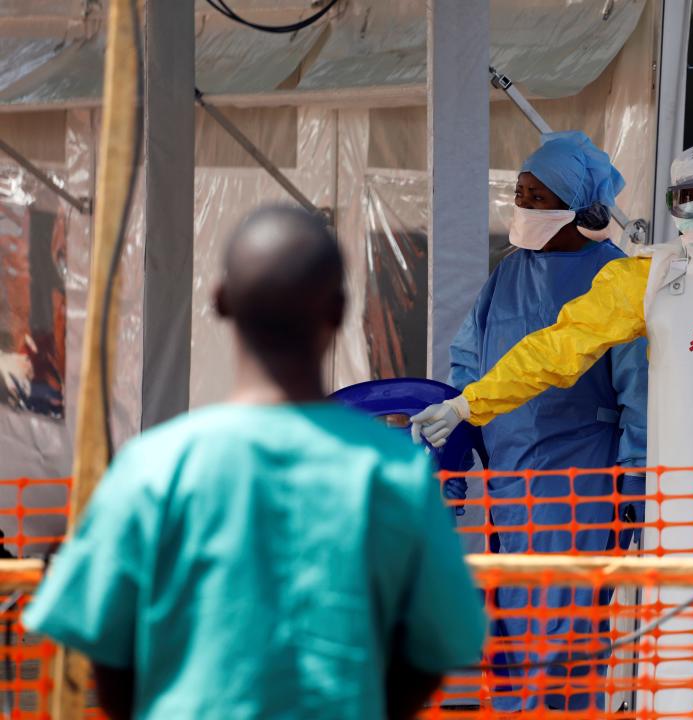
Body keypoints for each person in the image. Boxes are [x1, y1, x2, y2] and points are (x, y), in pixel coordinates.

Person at [412, 143, 693, 714]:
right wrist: (471, 405)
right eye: (692, 200)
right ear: (672, 205)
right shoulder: (644, 278)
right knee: (673, 649)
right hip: (677, 511)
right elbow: (555, 349)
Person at [24, 206, 486, 720]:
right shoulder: (394, 476)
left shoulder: (152, 469)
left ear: (220, 300)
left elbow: (103, 653)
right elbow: (433, 651)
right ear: (337, 311)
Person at [434, 131, 648, 713]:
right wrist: (455, 440)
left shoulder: (619, 281)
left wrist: (634, 481)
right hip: (509, 480)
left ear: (572, 207)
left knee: (569, 628)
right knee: (510, 623)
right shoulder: (509, 273)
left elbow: (639, 392)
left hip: (579, 484)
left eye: (533, 196)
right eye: (519, 194)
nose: (520, 207)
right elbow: (469, 361)